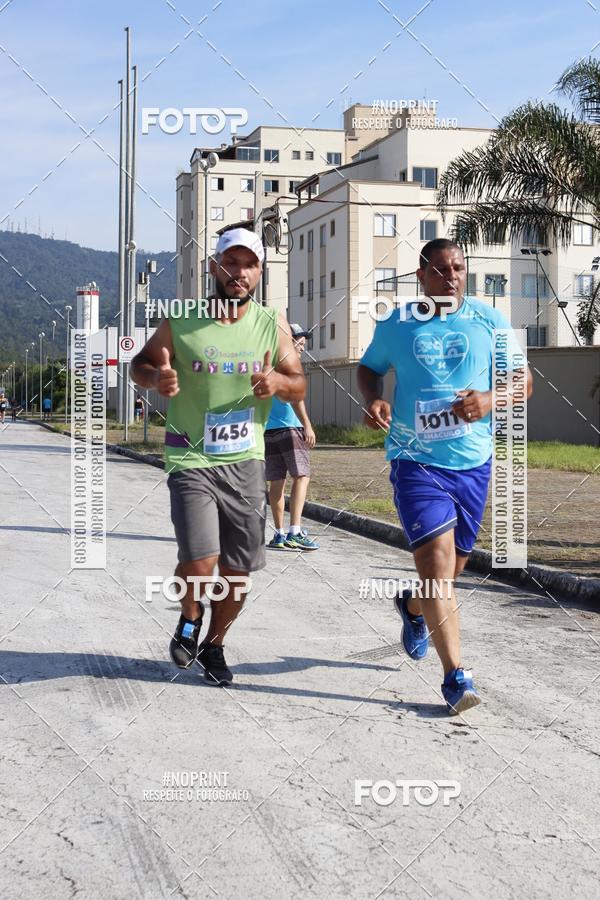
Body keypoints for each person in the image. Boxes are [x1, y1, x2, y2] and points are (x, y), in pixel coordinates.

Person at [358, 238, 533, 715]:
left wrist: (489, 401)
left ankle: (412, 606)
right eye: (440, 269)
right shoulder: (397, 324)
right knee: (438, 566)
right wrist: (373, 398)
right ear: (421, 274)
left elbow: (523, 381)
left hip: (473, 464)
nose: (451, 276)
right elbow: (368, 369)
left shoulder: (489, 321)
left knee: (449, 573)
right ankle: (456, 676)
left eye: (458, 268)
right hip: (415, 461)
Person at [131, 227, 305, 685]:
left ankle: (214, 644)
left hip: (246, 459)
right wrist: (156, 380)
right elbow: (141, 364)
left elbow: (299, 382)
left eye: (249, 264)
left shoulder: (271, 323)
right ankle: (190, 617)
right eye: (231, 262)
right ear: (214, 267)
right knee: (202, 558)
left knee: (238, 568)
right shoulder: (183, 317)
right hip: (190, 456)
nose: (239, 272)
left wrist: (278, 385)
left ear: (259, 272)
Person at [265, 324, 319, 550]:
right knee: (302, 476)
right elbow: (296, 397)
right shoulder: (289, 364)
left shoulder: (267, 363)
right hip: (290, 428)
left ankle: (278, 534)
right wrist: (307, 424)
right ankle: (295, 531)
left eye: (304, 345)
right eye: (298, 342)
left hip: (269, 430)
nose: (301, 348)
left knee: (277, 482)